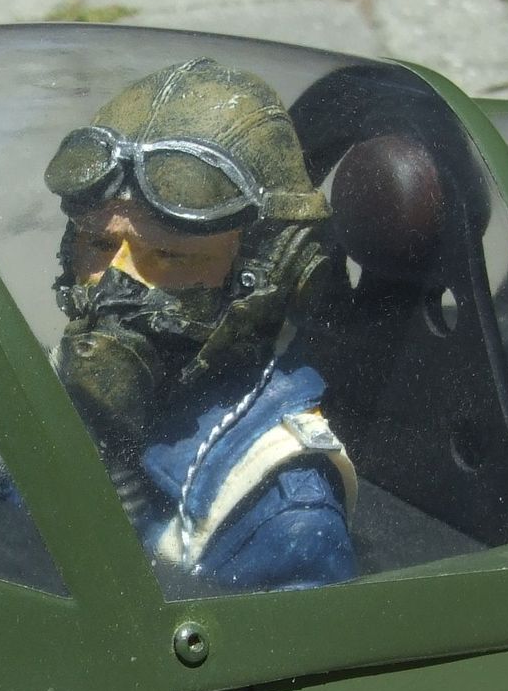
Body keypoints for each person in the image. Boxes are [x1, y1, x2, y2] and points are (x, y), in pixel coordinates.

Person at [43, 58, 357, 591]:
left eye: (170, 254)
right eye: (98, 243)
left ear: (268, 268)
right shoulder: (55, 391)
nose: (114, 282)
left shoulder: (282, 517)